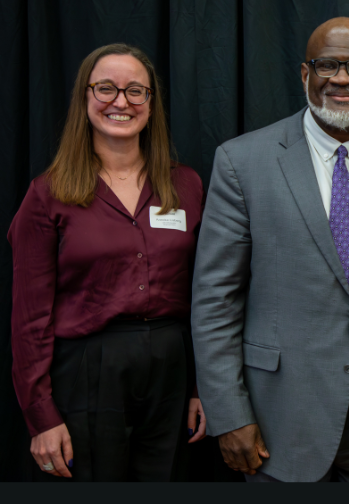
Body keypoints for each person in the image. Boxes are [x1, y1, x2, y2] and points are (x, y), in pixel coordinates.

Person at [190, 17, 349, 482]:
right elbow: (215, 301)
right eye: (327, 65)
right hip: (278, 422)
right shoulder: (241, 162)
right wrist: (229, 413)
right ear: (304, 73)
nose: (341, 78)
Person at [7, 43, 207, 481]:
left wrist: (202, 387)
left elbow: (208, 295)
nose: (121, 101)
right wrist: (41, 415)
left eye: (136, 91)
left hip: (173, 371)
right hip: (86, 371)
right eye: (106, 88)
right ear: (85, 99)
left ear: (151, 105)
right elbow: (29, 318)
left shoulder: (186, 185)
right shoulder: (49, 193)